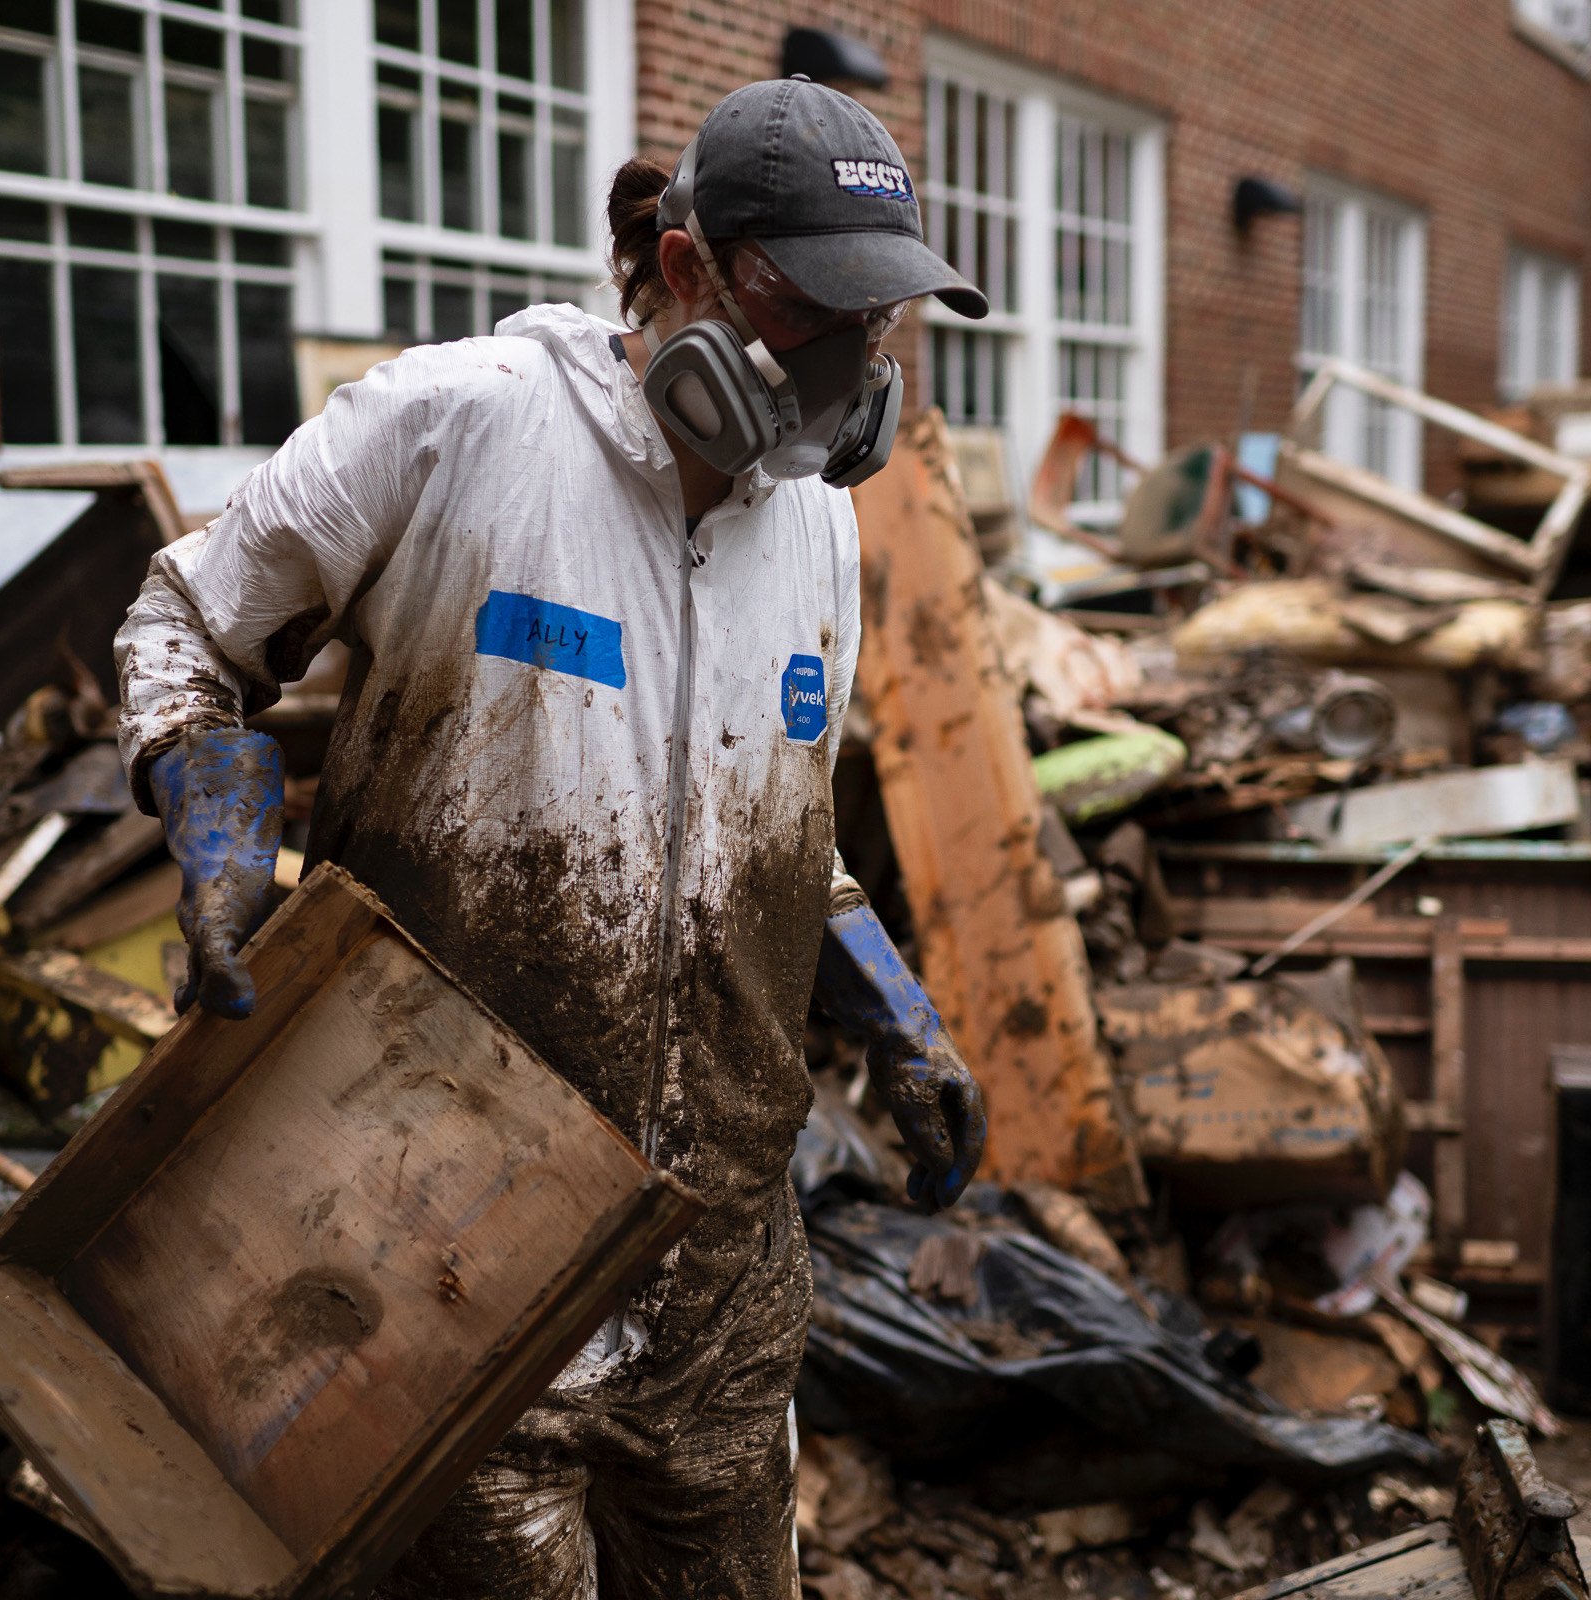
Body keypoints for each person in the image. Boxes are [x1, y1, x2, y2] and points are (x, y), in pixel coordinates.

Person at [114, 77, 989, 1599]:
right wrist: (221, 838)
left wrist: (900, 1017)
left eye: (881, 323)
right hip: (449, 1247)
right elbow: (186, 625)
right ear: (686, 265)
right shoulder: (459, 426)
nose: (854, 365)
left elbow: (787, 839)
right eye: (819, 313)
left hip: (722, 1276)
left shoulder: (822, 527)